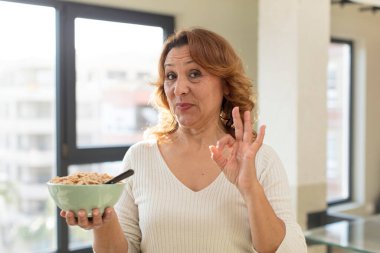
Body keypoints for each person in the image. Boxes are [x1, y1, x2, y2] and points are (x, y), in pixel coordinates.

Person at [61, 27, 307, 253]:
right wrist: (103, 221)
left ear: (227, 85)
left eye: (194, 73)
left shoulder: (261, 160)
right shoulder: (140, 158)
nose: (179, 89)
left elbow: (292, 250)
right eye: (170, 76)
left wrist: (250, 189)